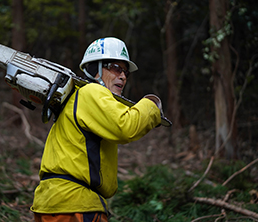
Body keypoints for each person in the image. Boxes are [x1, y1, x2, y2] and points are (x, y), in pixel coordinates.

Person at [31, 37, 171, 222]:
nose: (122, 76)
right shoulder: (92, 93)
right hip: (75, 205)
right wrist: (152, 104)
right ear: (94, 70)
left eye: (126, 73)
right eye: (115, 68)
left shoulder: (77, 99)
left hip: (51, 203)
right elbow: (126, 126)